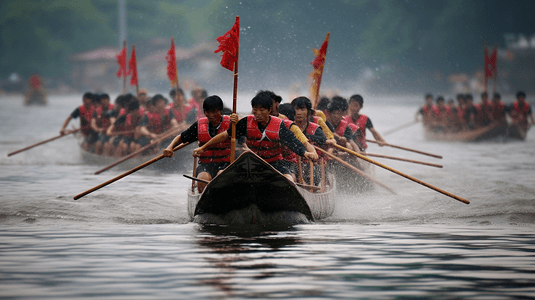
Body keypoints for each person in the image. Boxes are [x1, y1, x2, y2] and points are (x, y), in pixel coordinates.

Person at [192, 92, 318, 182]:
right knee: (227, 176)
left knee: (288, 179)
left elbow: (293, 143)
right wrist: (203, 148)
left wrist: (305, 153)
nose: (257, 113)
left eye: (261, 110)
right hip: (253, 163)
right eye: (255, 109)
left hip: (274, 163)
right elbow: (224, 136)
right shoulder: (246, 122)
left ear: (269, 110)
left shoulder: (279, 125)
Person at [163, 96, 231, 193]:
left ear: (220, 111)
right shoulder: (199, 125)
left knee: (221, 175)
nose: (211, 115)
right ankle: (204, 200)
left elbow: (246, 130)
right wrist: (170, 147)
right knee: (202, 179)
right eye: (208, 111)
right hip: (206, 164)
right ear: (204, 111)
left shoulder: (231, 123)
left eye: (214, 111)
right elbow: (181, 138)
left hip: (226, 164)